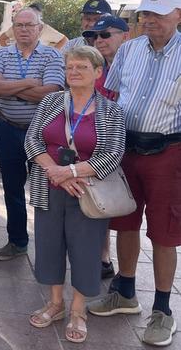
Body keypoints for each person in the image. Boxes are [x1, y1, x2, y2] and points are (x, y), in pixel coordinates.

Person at [87, 0, 181, 347]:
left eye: (159, 14)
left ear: (178, 15)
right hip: (125, 147)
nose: (150, 20)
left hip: (169, 152)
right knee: (124, 220)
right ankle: (125, 290)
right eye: (145, 14)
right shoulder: (128, 50)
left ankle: (162, 309)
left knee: (164, 231)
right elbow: (109, 97)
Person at [24, 46, 125, 344]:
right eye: (69, 67)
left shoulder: (111, 110)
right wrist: (54, 171)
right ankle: (55, 304)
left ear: (97, 73)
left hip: (89, 192)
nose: (74, 72)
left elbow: (113, 154)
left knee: (85, 250)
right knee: (49, 245)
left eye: (81, 67)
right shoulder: (52, 101)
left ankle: (78, 310)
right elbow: (32, 139)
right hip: (48, 185)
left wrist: (70, 173)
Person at [0, 7, 65, 260]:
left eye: (29, 25)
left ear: (39, 28)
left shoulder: (52, 55)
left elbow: (51, 93)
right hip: (8, 129)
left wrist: (8, 89)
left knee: (45, 190)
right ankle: (17, 241)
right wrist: (31, 83)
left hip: (42, 133)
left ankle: (48, 246)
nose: (23, 30)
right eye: (18, 25)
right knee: (12, 188)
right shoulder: (2, 53)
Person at [82, 14, 130, 278]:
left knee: (123, 206)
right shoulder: (95, 69)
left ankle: (126, 275)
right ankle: (102, 257)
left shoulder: (133, 66)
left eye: (105, 35)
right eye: (93, 36)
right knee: (99, 199)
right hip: (99, 144)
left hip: (133, 143)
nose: (98, 40)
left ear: (126, 35)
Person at [81, 15, 130, 102]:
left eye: (105, 35)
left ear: (125, 37)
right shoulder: (92, 68)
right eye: (95, 37)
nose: (98, 40)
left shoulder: (137, 68)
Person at [0, 3, 68, 50]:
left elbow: (64, 40)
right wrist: (8, 54)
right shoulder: (17, 27)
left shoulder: (45, 29)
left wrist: (51, 54)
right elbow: (2, 39)